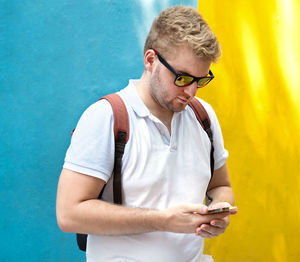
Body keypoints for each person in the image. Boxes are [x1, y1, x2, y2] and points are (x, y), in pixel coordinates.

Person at [56, 5, 236, 262]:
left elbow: (221, 186)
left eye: (201, 79)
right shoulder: (107, 118)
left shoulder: (203, 116)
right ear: (151, 60)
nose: (192, 91)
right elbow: (69, 214)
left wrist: (220, 209)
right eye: (183, 78)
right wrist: (163, 220)